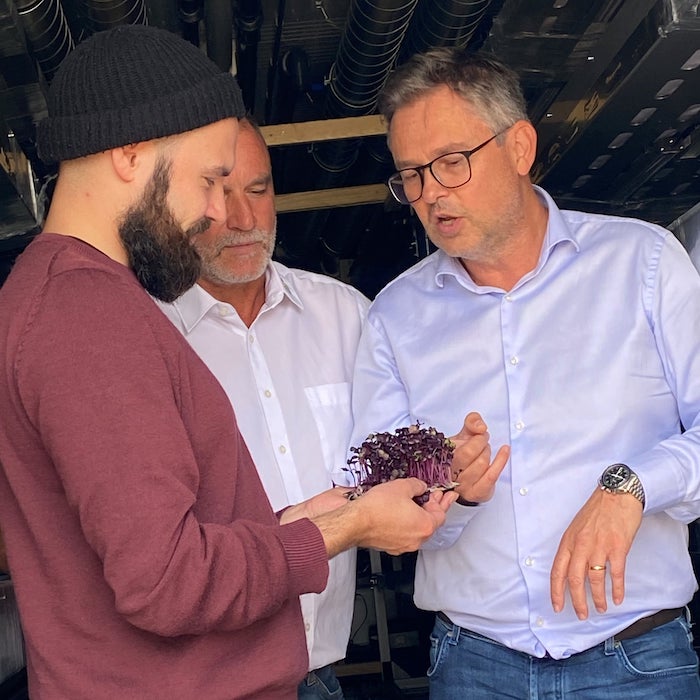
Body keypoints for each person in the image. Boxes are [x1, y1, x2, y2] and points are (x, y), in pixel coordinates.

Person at [0, 26, 462, 700]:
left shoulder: (59, 296)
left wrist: (301, 519)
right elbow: (166, 584)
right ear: (132, 153)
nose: (219, 212)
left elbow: (151, 546)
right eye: (210, 178)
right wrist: (347, 527)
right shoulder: (86, 312)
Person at [350, 47, 700, 699]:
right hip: (474, 664)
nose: (432, 194)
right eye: (412, 176)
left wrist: (632, 485)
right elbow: (378, 496)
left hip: (636, 659)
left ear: (519, 146)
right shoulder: (394, 316)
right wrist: (450, 488)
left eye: (451, 162)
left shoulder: (642, 262)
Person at [158, 117, 368, 699]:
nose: (245, 219)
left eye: (258, 190)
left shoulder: (346, 316)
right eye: (219, 194)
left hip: (321, 675)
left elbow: (399, 453)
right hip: (208, 683)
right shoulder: (152, 337)